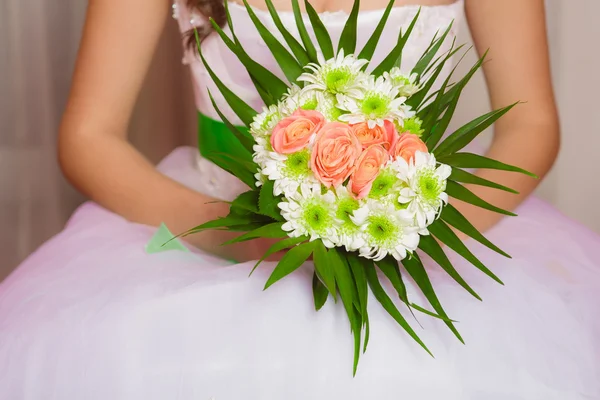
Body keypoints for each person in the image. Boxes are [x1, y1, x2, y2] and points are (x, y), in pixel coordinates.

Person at [1, 0, 598, 398]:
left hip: (414, 229)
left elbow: (532, 125)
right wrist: (230, 232)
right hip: (203, 220)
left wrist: (423, 229)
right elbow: (88, 136)